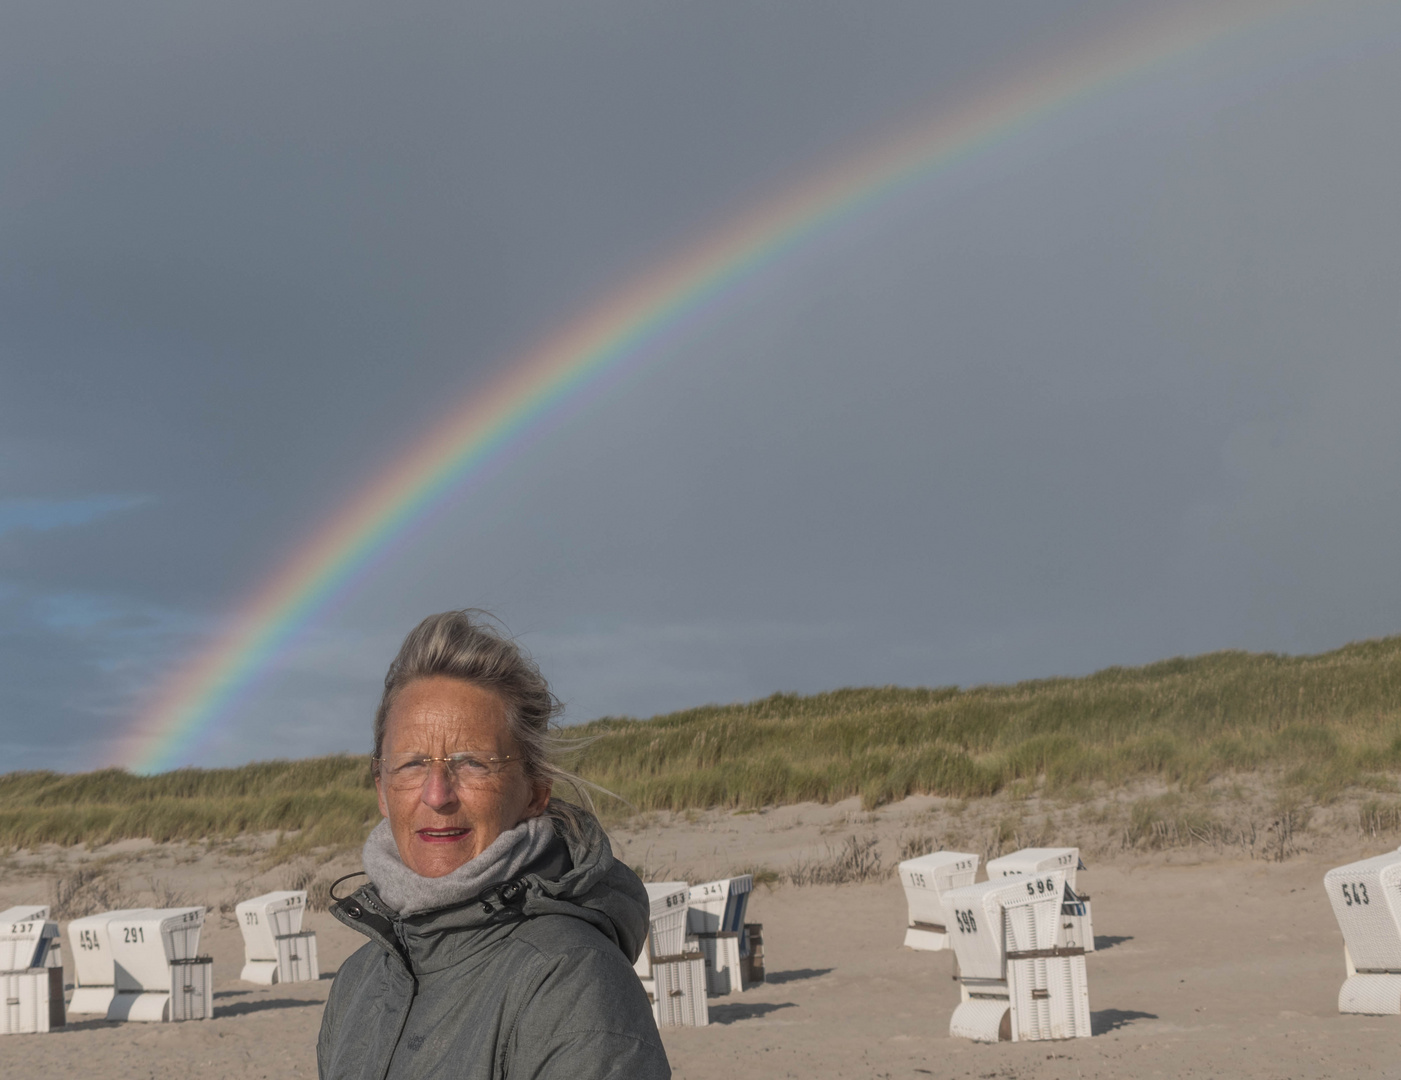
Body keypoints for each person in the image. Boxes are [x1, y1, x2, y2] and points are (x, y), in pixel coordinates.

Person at [317, 610, 671, 1080]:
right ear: (382, 789)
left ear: (534, 791)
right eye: (412, 764)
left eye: (473, 763)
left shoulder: (571, 980)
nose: (437, 794)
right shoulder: (358, 982)